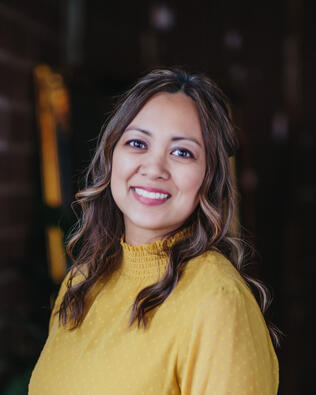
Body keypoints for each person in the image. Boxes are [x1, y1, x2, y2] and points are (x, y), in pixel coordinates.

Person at [29, 67, 279, 394]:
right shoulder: (82, 282)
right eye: (137, 143)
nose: (154, 168)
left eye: (182, 152)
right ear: (111, 157)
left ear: (210, 177)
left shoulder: (216, 301)